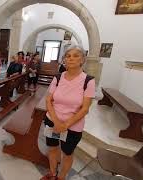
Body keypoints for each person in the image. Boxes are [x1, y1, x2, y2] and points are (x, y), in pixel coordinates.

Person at [41, 46, 95, 180]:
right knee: (53, 148)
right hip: (52, 121)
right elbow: (48, 100)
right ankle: (52, 174)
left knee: (67, 153)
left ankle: (61, 177)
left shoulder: (89, 81)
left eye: (76, 55)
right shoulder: (58, 77)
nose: (71, 58)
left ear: (82, 59)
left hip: (73, 126)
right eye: (68, 55)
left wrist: (64, 125)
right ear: (64, 59)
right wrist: (57, 122)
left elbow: (85, 108)